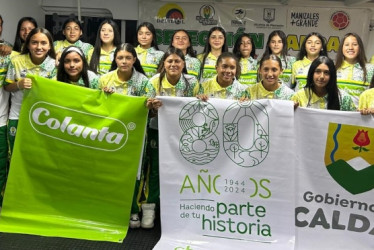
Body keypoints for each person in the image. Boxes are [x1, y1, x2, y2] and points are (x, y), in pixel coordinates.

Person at [100, 43, 158, 229]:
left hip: (136, 136)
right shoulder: (103, 80)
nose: (124, 61)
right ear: (114, 59)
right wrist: (103, 96)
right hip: (109, 134)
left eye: (128, 58)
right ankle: (112, 208)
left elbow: (152, 113)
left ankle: (133, 209)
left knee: (134, 173)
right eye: (120, 58)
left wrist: (150, 107)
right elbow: (95, 106)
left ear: (134, 60)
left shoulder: (144, 83)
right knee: (111, 170)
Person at [142, 47, 199, 229]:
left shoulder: (192, 82)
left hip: (184, 135)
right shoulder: (153, 82)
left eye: (177, 61)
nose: (173, 65)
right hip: (157, 131)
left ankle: (180, 209)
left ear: (183, 64)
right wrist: (151, 108)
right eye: (170, 61)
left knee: (183, 171)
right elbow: (146, 113)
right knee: (155, 170)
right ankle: (150, 208)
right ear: (163, 64)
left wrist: (202, 99)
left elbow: (198, 111)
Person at [4, 27, 56, 153]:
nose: (39, 47)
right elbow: (6, 87)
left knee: (37, 153)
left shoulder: (55, 65)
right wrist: (18, 85)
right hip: (17, 116)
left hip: (44, 118)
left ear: (50, 46)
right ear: (28, 44)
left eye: (43, 43)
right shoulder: (16, 61)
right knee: (16, 152)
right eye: (34, 42)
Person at [335, 32, 374, 107]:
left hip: (362, 116)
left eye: (355, 44)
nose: (350, 48)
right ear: (341, 48)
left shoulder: (371, 69)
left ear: (360, 48)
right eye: (346, 45)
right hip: (336, 115)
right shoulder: (333, 69)